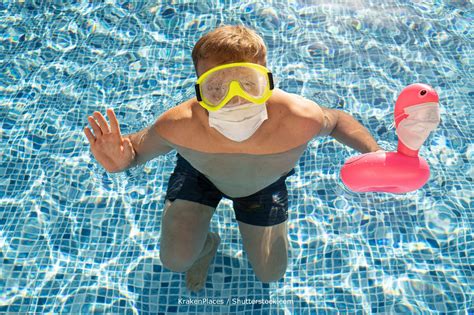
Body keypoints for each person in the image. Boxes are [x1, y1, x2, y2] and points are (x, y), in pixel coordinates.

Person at [83, 25, 382, 292]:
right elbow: (134, 150)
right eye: (218, 88)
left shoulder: (298, 118)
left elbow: (339, 121)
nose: (235, 99)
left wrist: (376, 156)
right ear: (200, 88)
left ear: (268, 80)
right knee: (175, 260)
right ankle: (206, 245)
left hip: (264, 188)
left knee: (270, 273)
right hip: (200, 177)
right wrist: (120, 160)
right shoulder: (180, 125)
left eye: (247, 83)